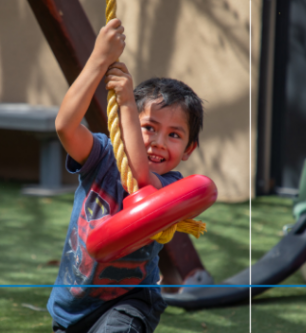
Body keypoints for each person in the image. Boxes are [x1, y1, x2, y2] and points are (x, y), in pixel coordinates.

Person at [47, 18, 204, 333]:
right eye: (149, 128)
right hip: (71, 306)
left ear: (189, 149)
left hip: (129, 302)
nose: (158, 142)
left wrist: (128, 103)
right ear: (126, 125)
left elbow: (141, 178)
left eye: (174, 135)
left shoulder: (172, 186)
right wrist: (99, 59)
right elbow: (65, 126)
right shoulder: (101, 156)